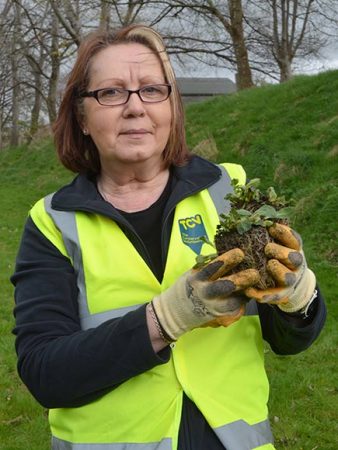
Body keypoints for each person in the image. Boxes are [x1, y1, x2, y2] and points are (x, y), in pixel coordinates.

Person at [11, 23, 326, 450]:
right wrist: (163, 321)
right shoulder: (54, 222)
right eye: (111, 92)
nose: (135, 107)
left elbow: (290, 341)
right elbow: (46, 374)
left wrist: (298, 296)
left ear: (172, 107)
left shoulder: (228, 192)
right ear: (82, 117)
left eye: (152, 90)